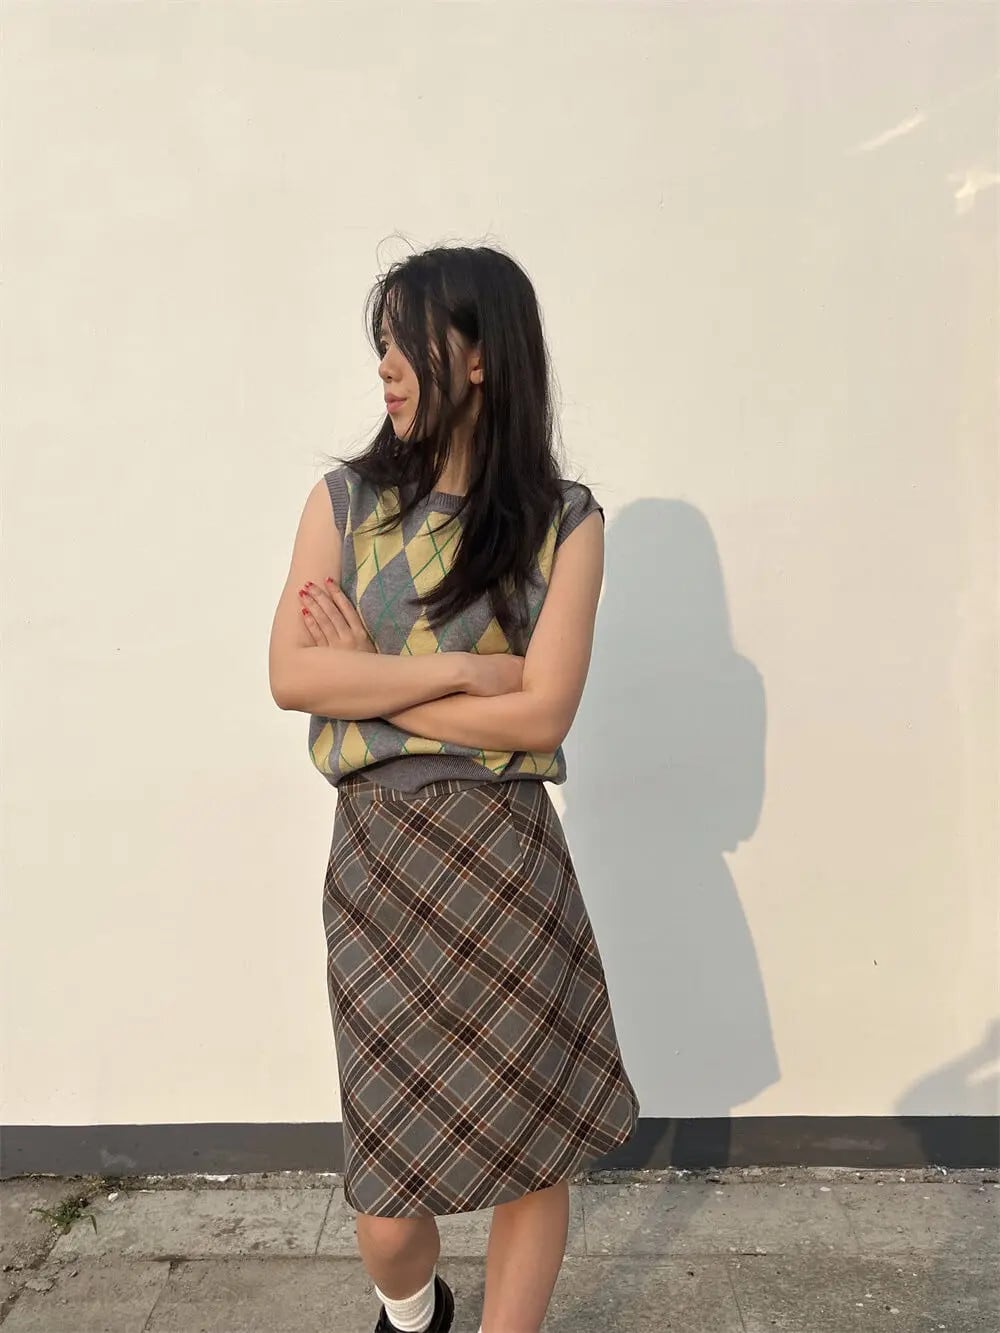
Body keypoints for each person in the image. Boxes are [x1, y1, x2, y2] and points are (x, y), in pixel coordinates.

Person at [268, 245, 640, 1333]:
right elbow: (292, 676)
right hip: (380, 872)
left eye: (409, 341)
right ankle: (411, 1306)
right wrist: (468, 674)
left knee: (532, 1147)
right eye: (380, 342)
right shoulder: (343, 503)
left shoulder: (565, 522)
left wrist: (371, 683)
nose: (385, 365)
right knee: (387, 1208)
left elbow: (543, 716)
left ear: (481, 356)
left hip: (508, 867)